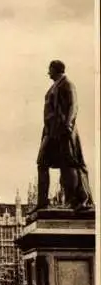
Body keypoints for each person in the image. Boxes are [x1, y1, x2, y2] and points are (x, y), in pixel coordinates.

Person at [36, 60, 94, 211]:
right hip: (50, 132)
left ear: (56, 70)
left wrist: (68, 126)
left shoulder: (67, 84)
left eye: (50, 69)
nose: (48, 72)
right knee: (42, 163)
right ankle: (42, 203)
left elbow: (73, 106)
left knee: (68, 164)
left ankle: (74, 200)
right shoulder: (54, 86)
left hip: (62, 130)